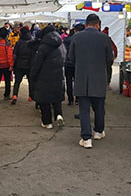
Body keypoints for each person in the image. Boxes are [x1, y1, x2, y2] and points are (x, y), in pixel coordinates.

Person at [69, 14, 113, 148]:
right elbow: (109, 59)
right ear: (98, 24)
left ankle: (86, 138)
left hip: (82, 77)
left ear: (86, 23)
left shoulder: (76, 37)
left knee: (84, 109)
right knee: (99, 107)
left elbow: (71, 58)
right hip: (99, 77)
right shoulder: (105, 38)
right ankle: (98, 132)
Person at [30, 25, 66, 129]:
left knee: (44, 100)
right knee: (56, 98)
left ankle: (47, 123)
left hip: (44, 76)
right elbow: (64, 57)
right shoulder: (61, 45)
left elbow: (37, 63)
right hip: (58, 74)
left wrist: (33, 75)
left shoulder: (43, 47)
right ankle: (59, 115)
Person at [63, 24, 85, 106]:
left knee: (68, 82)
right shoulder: (82, 40)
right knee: (78, 82)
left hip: (68, 64)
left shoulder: (66, 40)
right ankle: (78, 99)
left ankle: (70, 99)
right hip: (78, 64)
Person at [12, 27, 33, 104]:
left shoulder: (18, 42)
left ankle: (14, 95)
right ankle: (31, 96)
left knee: (17, 81)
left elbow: (14, 54)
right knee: (30, 81)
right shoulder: (31, 42)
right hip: (29, 64)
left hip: (19, 64)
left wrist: (13, 64)